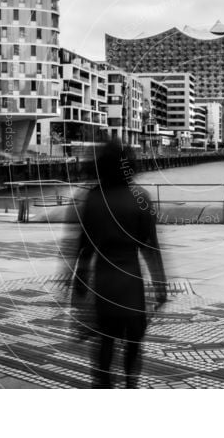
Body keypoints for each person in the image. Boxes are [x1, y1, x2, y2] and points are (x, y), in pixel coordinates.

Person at [63, 140, 167, 388]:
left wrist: (78, 285)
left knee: (105, 342)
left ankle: (103, 385)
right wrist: (160, 284)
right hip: (131, 282)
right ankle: (131, 384)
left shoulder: (91, 199)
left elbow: (82, 249)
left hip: (103, 283)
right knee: (133, 345)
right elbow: (151, 248)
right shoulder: (141, 197)